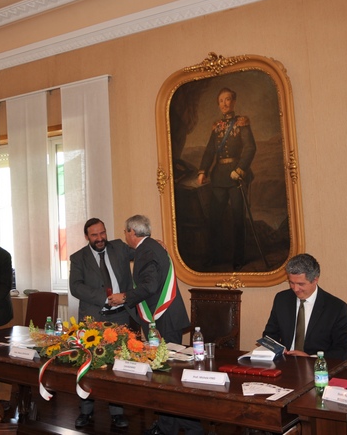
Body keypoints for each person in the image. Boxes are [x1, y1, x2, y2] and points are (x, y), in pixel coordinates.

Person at [108, 215, 201, 435]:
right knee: (168, 376)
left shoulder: (147, 251)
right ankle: (185, 425)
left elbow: (149, 286)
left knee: (166, 376)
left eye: (125, 232)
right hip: (164, 319)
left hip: (164, 320)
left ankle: (173, 427)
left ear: (132, 232)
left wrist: (125, 297)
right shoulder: (149, 247)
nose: (125, 235)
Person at [69, 218, 134, 429]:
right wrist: (104, 298)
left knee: (117, 366)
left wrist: (155, 244)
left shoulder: (119, 248)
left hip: (120, 317)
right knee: (90, 365)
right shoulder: (78, 258)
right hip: (92, 319)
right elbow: (76, 287)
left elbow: (141, 251)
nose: (100, 238)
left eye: (102, 233)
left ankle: (117, 413)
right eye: (95, 235)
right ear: (87, 237)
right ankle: (86, 412)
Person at [197, 87, 256, 270]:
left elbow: (250, 148)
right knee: (214, 219)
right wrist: (202, 171)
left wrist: (239, 169)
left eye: (228, 99)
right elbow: (209, 151)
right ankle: (214, 257)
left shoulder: (242, 123)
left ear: (234, 101)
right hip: (219, 178)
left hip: (236, 177)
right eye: (221, 101)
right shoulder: (216, 127)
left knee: (238, 219)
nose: (224, 103)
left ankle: (238, 258)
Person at [262, 253, 347, 360]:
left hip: (318, 369)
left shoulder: (336, 308)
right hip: (285, 364)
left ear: (315, 280)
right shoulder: (282, 299)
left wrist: (312, 358)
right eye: (291, 282)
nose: (295, 289)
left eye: (301, 284)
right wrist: (278, 349)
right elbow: (269, 336)